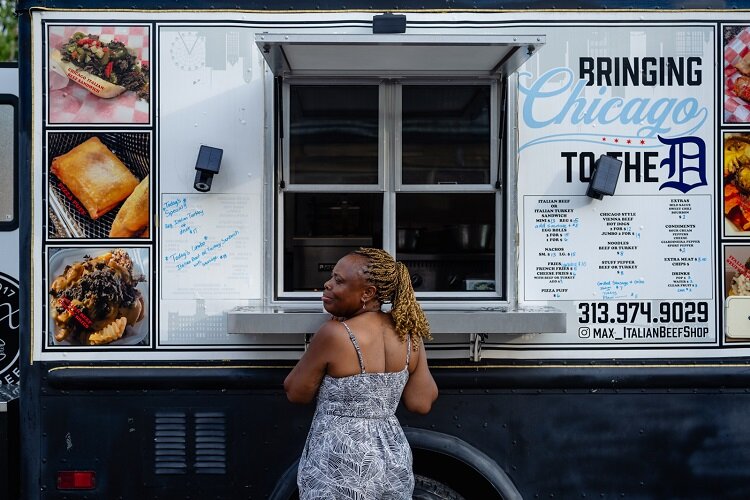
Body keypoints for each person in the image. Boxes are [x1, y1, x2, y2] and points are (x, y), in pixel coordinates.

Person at [284, 247, 438, 499]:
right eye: (332, 277)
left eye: (338, 280)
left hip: (342, 459)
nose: (327, 284)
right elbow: (420, 403)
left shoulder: (334, 334)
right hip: (392, 457)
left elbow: (295, 392)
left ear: (368, 293)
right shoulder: (409, 334)